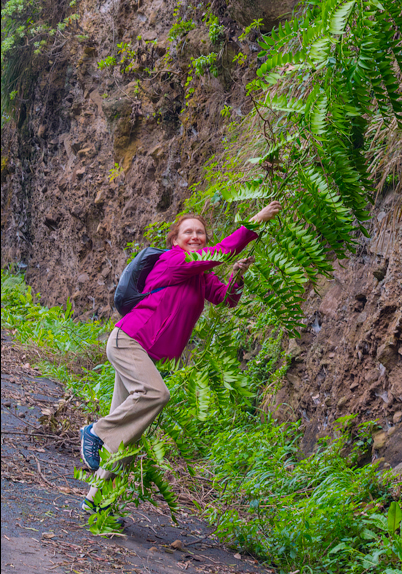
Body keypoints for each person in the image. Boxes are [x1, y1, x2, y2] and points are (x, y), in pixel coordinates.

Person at [79, 202, 281, 513]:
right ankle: (96, 432)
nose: (196, 236)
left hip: (144, 353)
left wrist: (236, 277)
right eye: (188, 232)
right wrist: (254, 222)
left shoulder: (199, 276)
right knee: (156, 394)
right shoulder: (174, 260)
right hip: (129, 341)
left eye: (200, 232)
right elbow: (220, 253)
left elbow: (225, 299)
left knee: (130, 433)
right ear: (175, 240)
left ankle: (98, 502)